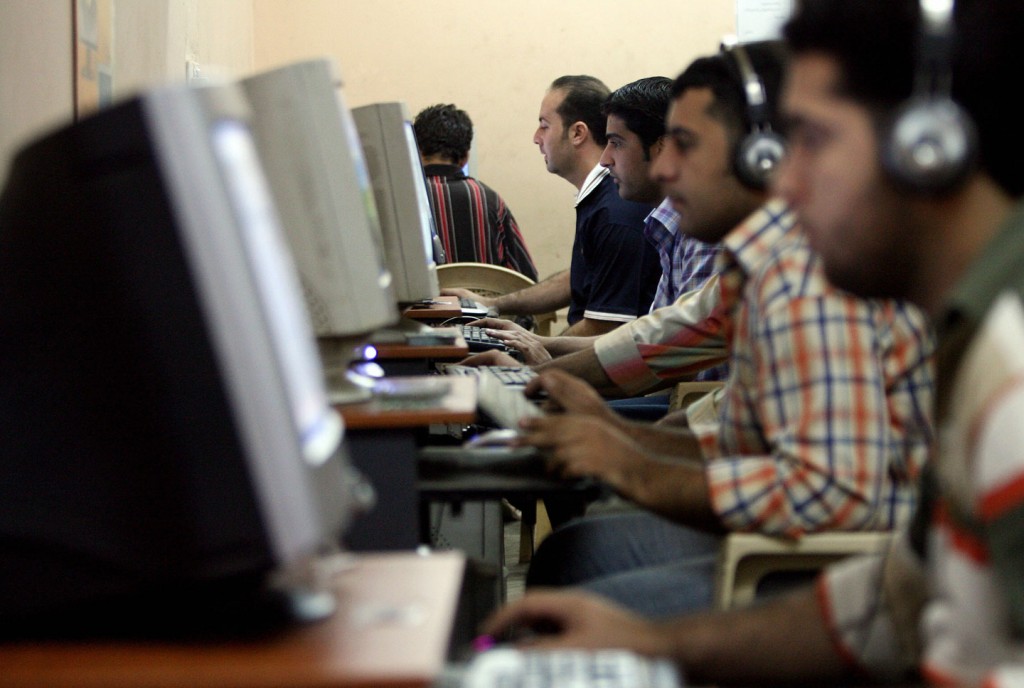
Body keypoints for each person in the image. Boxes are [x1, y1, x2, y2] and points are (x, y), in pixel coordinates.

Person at [483, 0, 1024, 685]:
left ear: (928, 150)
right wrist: (661, 645)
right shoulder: (968, 340)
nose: (783, 184)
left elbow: (840, 500)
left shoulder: (1010, 376)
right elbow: (892, 601)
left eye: (814, 141)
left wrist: (636, 462)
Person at [501, 40, 935, 618]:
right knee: (573, 553)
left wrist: (631, 461)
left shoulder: (806, 271)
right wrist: (608, 429)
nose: (663, 167)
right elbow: (681, 362)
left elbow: (834, 497)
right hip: (807, 536)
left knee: (577, 569)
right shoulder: (758, 260)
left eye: (684, 145)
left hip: (850, 569)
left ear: (759, 158)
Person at [443, 75, 661, 337]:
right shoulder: (601, 198)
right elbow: (580, 278)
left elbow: (605, 329)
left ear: (577, 133)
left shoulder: (615, 211)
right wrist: (492, 304)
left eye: (544, 126)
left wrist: (529, 353)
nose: (536, 138)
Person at [412, 104, 538, 281]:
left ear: (417, 151)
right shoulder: (490, 200)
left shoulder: (403, 201)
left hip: (421, 308)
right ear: (465, 158)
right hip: (487, 308)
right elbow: (524, 277)